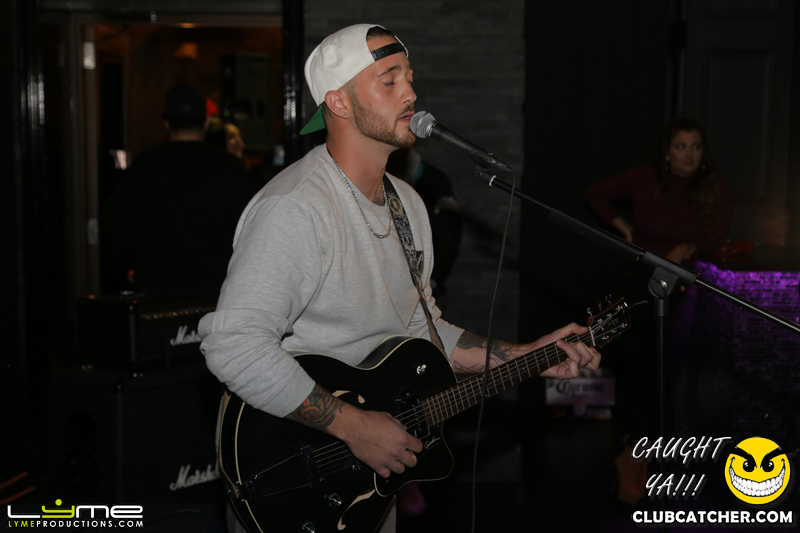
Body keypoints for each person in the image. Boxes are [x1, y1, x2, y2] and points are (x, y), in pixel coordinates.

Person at [199, 24, 601, 533]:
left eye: (409, 77)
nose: (410, 92)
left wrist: (524, 356)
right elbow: (233, 346)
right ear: (338, 103)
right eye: (389, 80)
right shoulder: (295, 208)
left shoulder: (407, 203)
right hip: (294, 468)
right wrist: (354, 427)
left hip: (369, 474)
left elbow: (419, 329)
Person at [584, 118, 732, 505]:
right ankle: (632, 456)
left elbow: (716, 237)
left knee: (666, 371)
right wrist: (626, 231)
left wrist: (686, 249)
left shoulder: (714, 186)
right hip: (638, 282)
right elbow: (595, 194)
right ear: (667, 151)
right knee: (636, 368)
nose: (688, 155)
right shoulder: (645, 178)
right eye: (681, 146)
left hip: (681, 287)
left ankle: (643, 458)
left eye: (695, 147)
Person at [101, 83, 256, 298]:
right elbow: (252, 230)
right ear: (205, 123)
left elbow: (115, 226)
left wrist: (127, 267)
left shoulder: (145, 167)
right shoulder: (230, 169)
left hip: (158, 296)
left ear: (166, 123)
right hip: (217, 295)